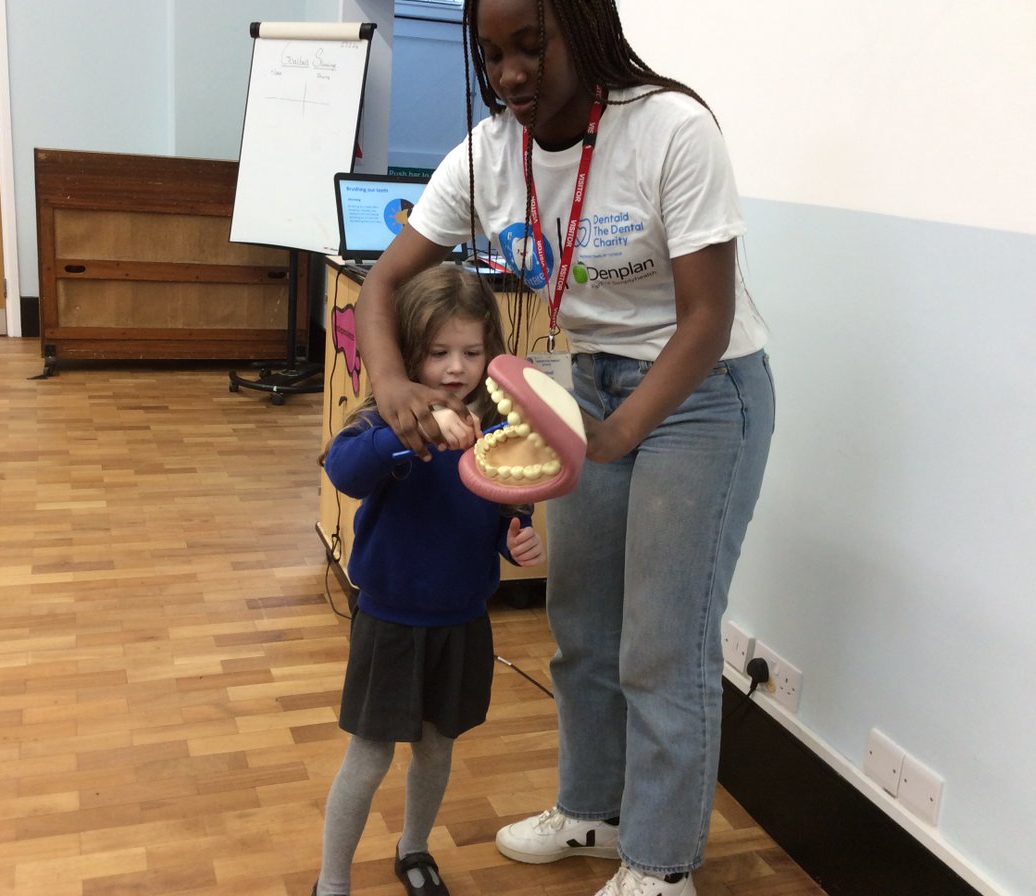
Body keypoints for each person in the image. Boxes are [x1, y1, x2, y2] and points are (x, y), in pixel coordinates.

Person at [351, 1, 775, 895]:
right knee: (580, 624)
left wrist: (618, 434)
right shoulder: (487, 152)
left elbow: (708, 316)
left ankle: (662, 869)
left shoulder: (671, 129)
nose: (509, 73)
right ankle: (594, 809)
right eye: (491, 53)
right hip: (589, 384)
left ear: (584, 26)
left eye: (531, 46)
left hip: (698, 390)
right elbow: (385, 281)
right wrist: (391, 385)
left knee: (663, 642)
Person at [314, 265, 546, 896]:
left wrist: (515, 535)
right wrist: (408, 436)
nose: (455, 367)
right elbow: (344, 471)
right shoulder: (383, 422)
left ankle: (414, 849)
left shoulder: (498, 430)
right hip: (390, 620)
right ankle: (332, 881)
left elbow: (507, 507)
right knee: (368, 756)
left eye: (471, 352)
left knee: (437, 750)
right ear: (408, 351)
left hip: (464, 619)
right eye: (439, 352)